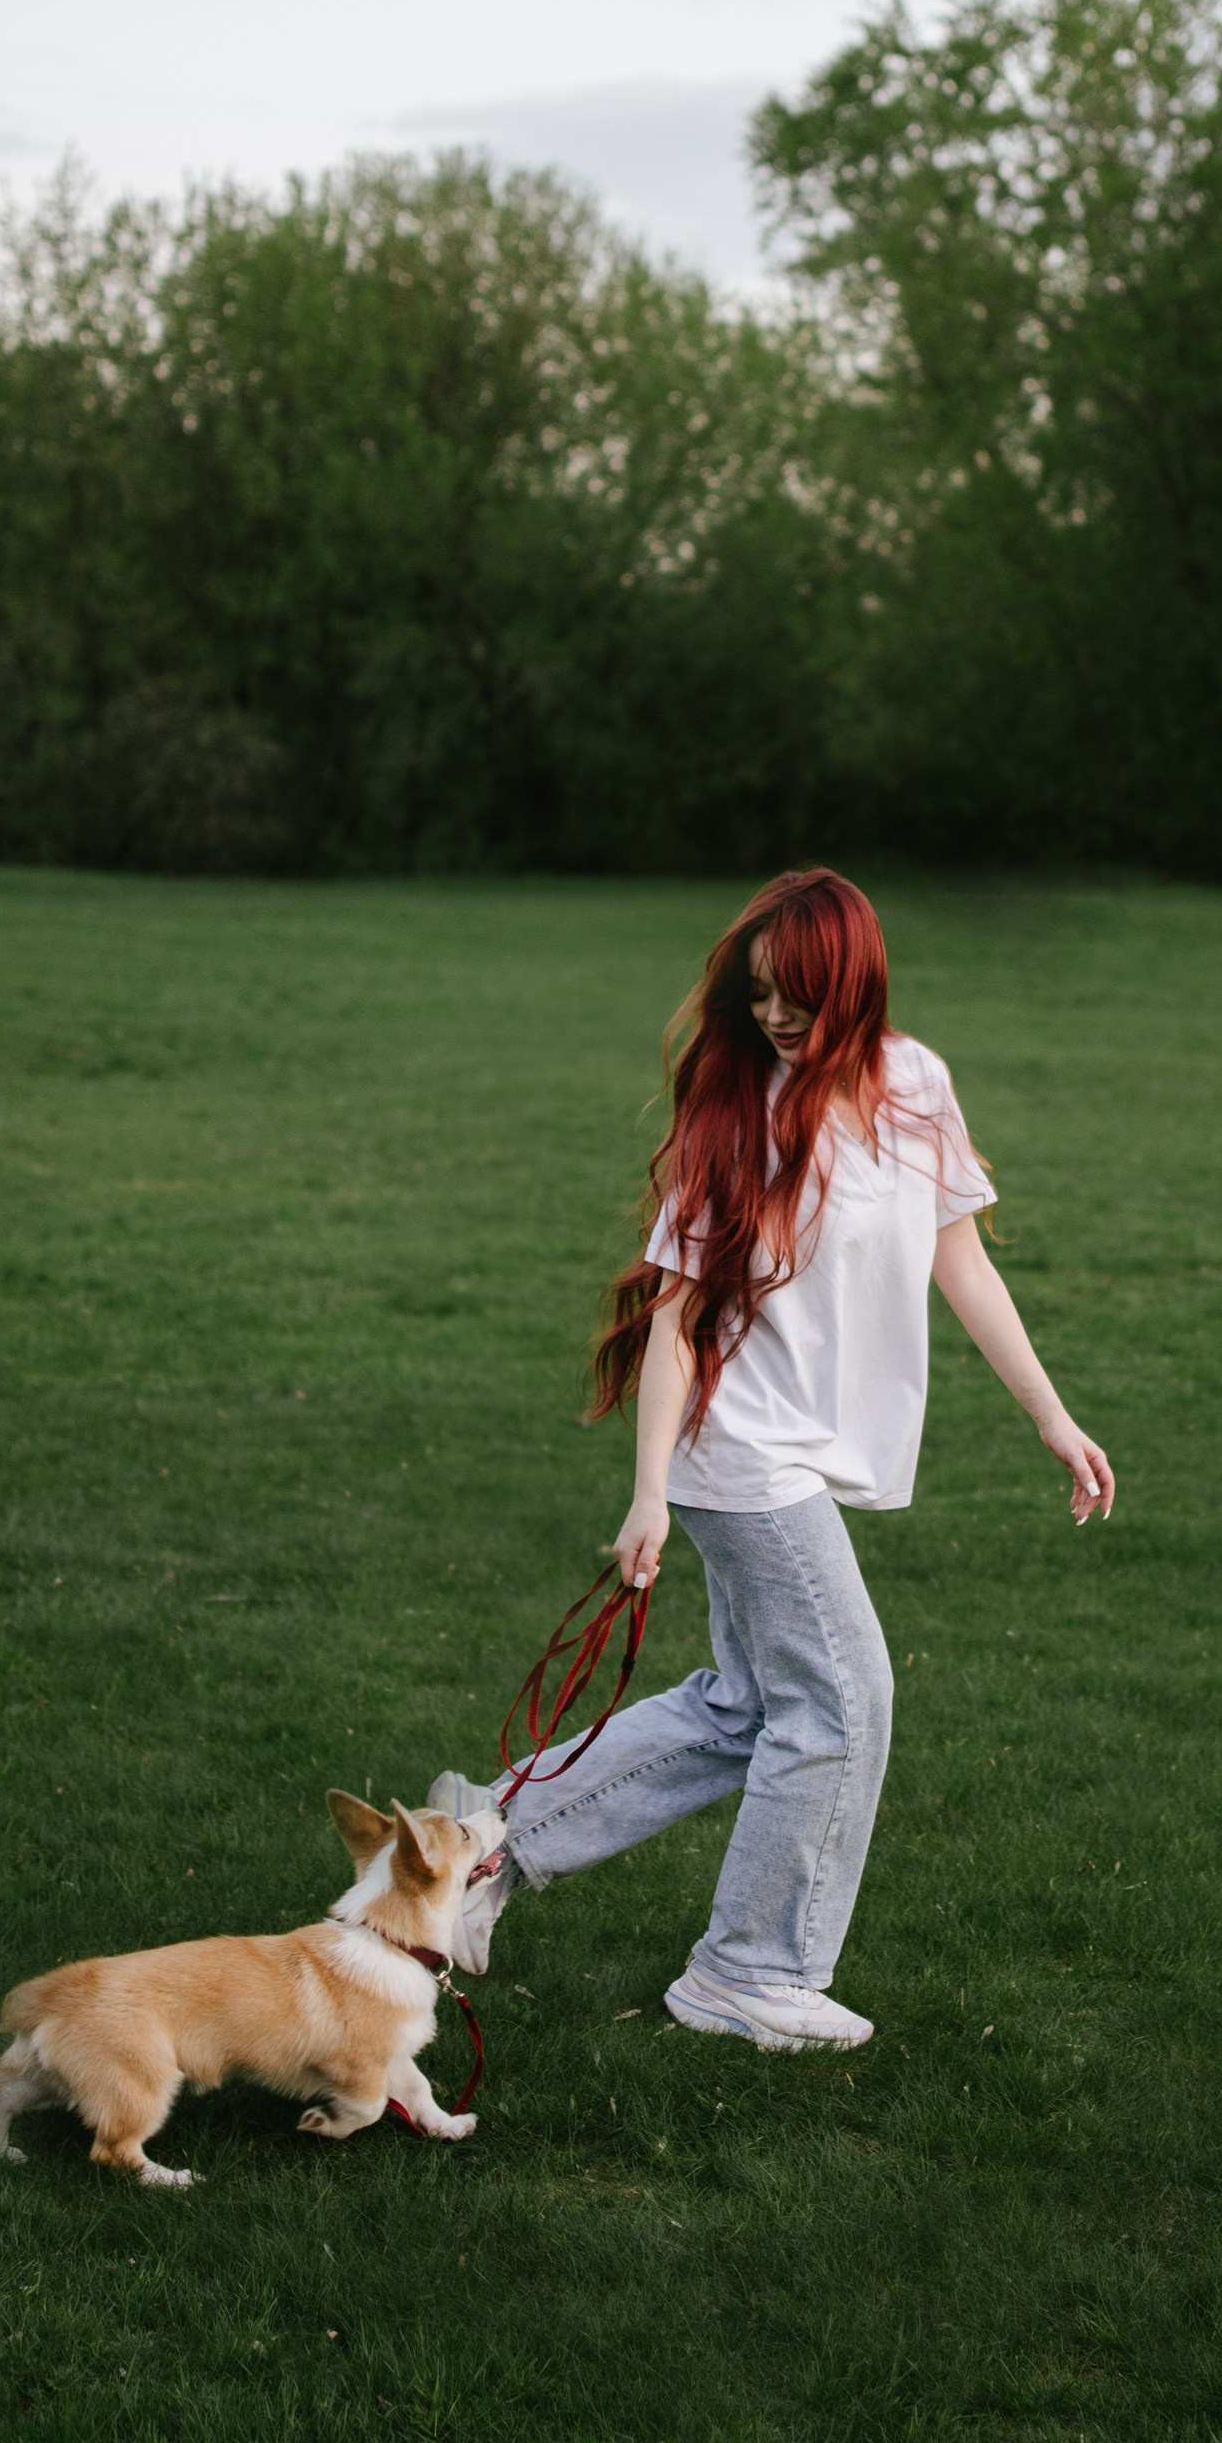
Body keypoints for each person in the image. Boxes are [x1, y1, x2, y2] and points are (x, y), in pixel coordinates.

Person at [431, 867, 1112, 2050]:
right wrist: (647, 1492)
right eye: (757, 996)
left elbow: (960, 1257)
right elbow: (674, 1317)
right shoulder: (732, 1119)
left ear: (853, 982)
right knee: (843, 1703)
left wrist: (1049, 1416)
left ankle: (483, 1836)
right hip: (740, 1459)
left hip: (792, 1450)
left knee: (750, 1705)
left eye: (796, 995)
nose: (775, 1018)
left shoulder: (913, 1083)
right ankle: (747, 1971)